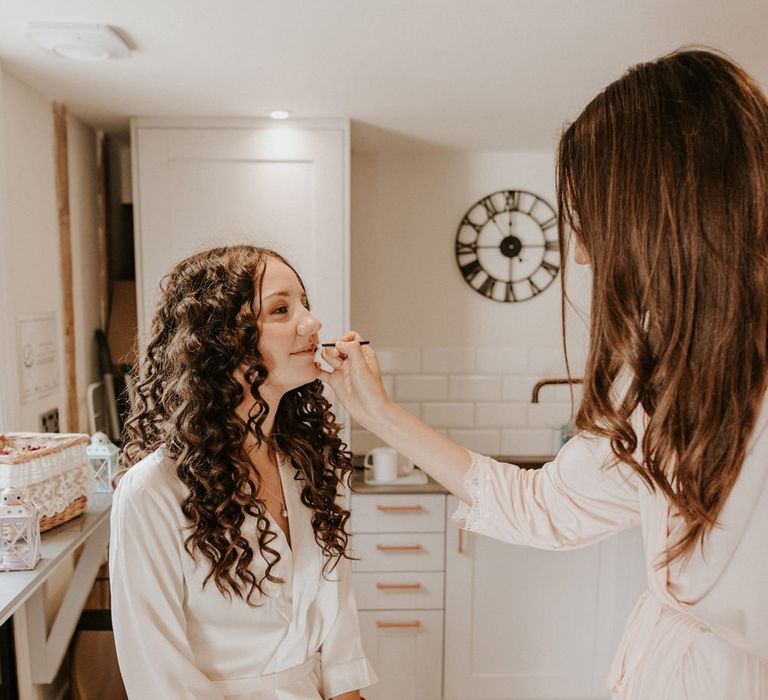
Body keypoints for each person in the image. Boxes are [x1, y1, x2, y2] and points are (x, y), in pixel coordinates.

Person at [319, 49, 768, 699]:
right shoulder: (657, 383)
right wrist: (381, 415)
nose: (582, 253)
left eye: (589, 220)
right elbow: (541, 506)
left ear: (657, 212)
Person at [110, 245, 376, 699]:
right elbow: (159, 678)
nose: (312, 323)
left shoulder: (308, 467)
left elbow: (339, 641)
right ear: (220, 340)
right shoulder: (151, 492)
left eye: (305, 305)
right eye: (280, 309)